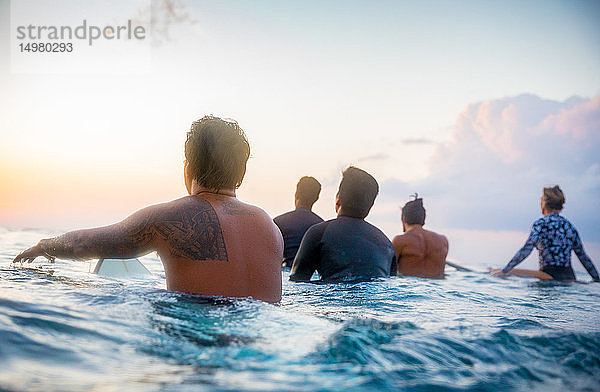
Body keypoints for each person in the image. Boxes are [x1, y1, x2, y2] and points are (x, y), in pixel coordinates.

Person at [13, 116, 284, 303]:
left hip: (202, 348)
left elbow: (84, 244)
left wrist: (43, 245)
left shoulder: (170, 217)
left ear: (188, 167)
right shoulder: (269, 227)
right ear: (242, 172)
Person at [289, 166, 396, 282]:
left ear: (338, 199)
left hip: (332, 296)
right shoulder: (387, 246)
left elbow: (296, 281)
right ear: (370, 206)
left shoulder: (319, 233)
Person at [491, 186, 599, 282]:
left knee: (496, 272)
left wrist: (505, 271)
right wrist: (597, 279)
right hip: (570, 277)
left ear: (543, 203)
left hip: (548, 275)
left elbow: (526, 249)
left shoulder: (541, 224)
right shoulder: (570, 227)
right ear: (561, 207)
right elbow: (583, 258)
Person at [392, 195, 449, 279]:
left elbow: (389, 270)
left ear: (403, 218)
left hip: (408, 288)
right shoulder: (443, 240)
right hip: (436, 288)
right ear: (423, 219)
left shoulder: (400, 240)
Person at [274, 176, 324, 267]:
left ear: (296, 194)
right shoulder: (323, 226)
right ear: (316, 198)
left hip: (285, 274)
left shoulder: (278, 222)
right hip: (312, 277)